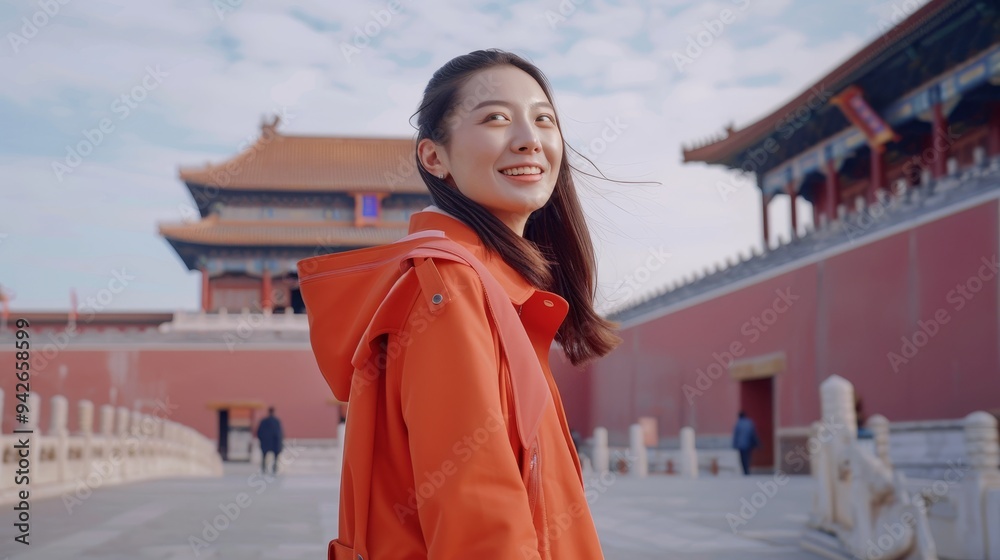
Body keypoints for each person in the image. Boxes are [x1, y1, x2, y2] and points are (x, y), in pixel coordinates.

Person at [311, 49, 622, 559]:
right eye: (496, 118)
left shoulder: (489, 288)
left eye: (544, 119)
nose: (530, 138)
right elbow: (478, 519)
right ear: (435, 158)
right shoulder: (448, 289)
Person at [256, 407, 283, 475]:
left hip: (266, 442)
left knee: (264, 456)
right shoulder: (276, 421)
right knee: (275, 457)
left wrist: (261, 439)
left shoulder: (264, 421)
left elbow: (259, 432)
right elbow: (279, 433)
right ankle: (274, 468)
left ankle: (264, 468)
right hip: (274, 442)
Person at [732, 411, 759, 476]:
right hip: (748, 444)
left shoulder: (738, 423)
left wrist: (734, 444)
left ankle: (745, 470)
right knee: (748, 457)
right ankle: (747, 469)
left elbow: (736, 435)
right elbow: (753, 433)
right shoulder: (749, 422)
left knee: (742, 458)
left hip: (740, 444)